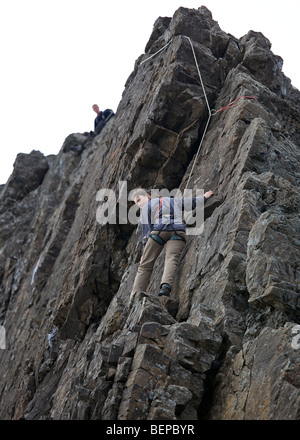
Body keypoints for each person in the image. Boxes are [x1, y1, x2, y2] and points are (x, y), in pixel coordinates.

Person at [131, 188, 214, 299]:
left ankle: (136, 295)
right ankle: (165, 287)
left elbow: (147, 230)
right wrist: (204, 197)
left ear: (148, 196)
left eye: (138, 200)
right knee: (172, 258)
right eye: (136, 203)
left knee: (145, 266)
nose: (138, 204)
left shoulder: (147, 207)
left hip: (159, 229)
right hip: (178, 229)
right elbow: (190, 203)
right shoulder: (171, 200)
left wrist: (145, 251)